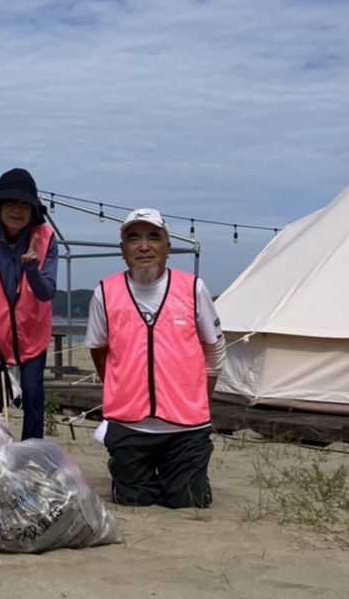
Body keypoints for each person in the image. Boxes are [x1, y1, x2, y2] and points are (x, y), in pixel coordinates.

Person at [83, 208, 226, 509]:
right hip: (129, 425)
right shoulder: (105, 293)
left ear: (167, 247)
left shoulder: (192, 288)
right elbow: (98, 349)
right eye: (133, 239)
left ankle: (181, 473)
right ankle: (129, 472)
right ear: (123, 251)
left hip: (185, 427)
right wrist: (119, 388)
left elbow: (214, 348)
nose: (144, 246)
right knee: (134, 499)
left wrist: (202, 399)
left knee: (189, 500)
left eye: (153, 237)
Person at [0, 168, 58, 440]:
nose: (17, 210)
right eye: (10, 202)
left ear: (33, 209)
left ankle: (31, 455)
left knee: (33, 396)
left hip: (33, 332)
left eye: (24, 204)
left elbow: (46, 292)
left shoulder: (46, 238)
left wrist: (32, 269)